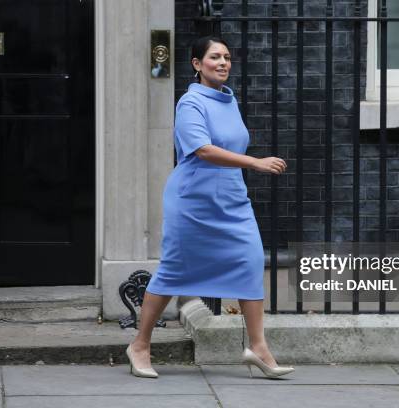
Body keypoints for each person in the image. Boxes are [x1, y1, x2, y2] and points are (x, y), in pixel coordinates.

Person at [126, 35, 294, 379]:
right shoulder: (191, 103)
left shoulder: (227, 100)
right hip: (193, 202)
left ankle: (258, 347)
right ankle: (140, 345)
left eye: (227, 57)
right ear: (197, 64)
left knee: (250, 262)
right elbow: (202, 149)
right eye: (215, 57)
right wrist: (255, 163)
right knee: (173, 271)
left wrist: (245, 168)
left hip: (232, 200)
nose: (223, 63)